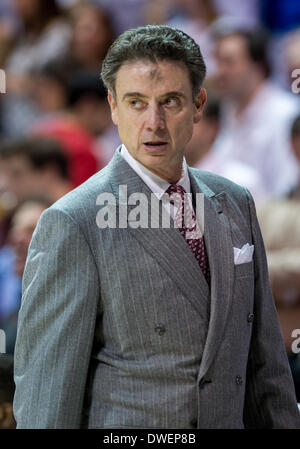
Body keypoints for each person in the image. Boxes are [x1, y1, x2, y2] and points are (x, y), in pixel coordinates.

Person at [13, 25, 300, 429]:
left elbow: (266, 366)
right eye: (136, 103)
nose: (154, 122)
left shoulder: (236, 201)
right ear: (112, 106)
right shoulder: (72, 221)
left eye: (170, 102)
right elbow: (47, 400)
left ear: (199, 104)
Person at [212, 28, 300, 198]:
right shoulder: (222, 110)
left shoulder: (285, 114)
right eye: (217, 62)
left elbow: (286, 187)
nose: (219, 71)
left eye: (229, 62)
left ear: (257, 66)